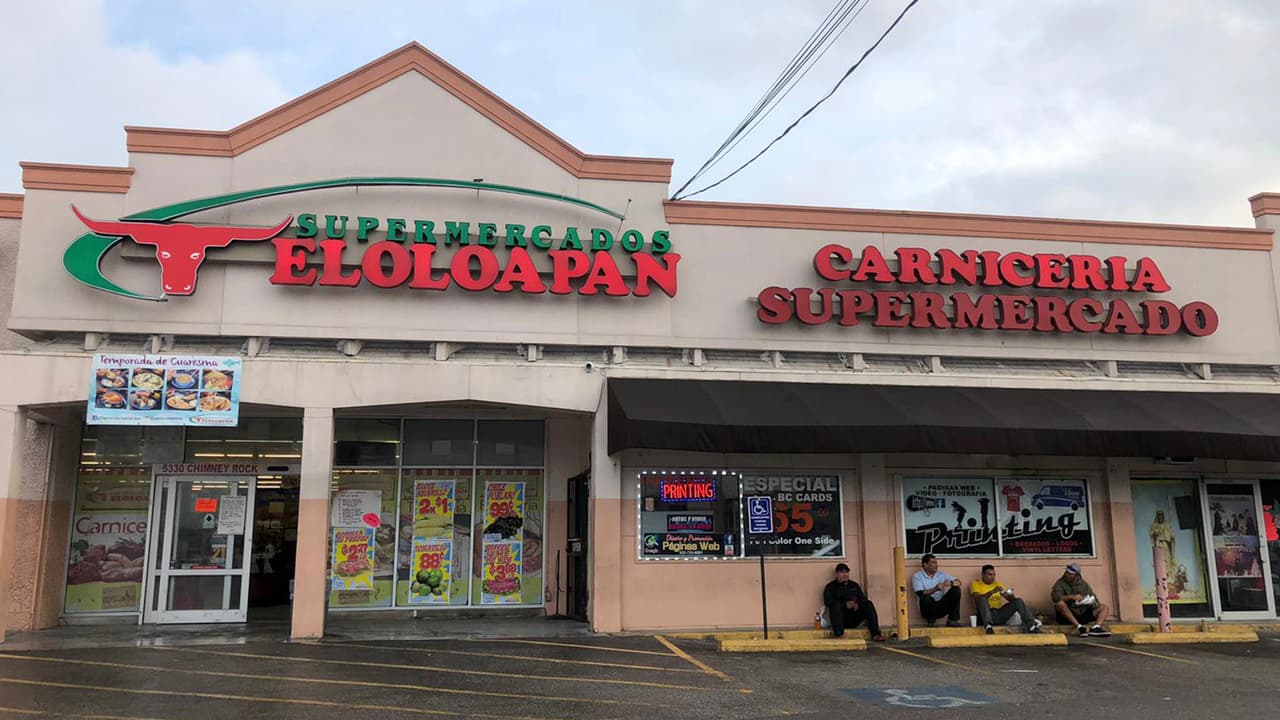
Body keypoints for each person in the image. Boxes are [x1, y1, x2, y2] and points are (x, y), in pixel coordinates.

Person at [970, 564, 1043, 634]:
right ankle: (988, 627)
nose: (992, 577)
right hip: (985, 616)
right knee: (982, 599)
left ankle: (1031, 625)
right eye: (989, 574)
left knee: (1018, 601)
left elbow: (1012, 601)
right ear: (983, 575)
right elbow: (977, 599)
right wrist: (992, 592)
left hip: (998, 614)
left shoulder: (997, 584)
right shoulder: (976, 584)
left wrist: (1009, 594)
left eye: (994, 575)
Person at [822, 562, 886, 641]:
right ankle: (838, 634)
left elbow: (862, 599)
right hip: (840, 619)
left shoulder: (854, 585)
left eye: (846, 572)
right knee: (836, 604)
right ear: (837, 574)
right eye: (842, 572)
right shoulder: (831, 587)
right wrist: (845, 604)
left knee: (868, 604)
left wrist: (857, 605)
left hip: (854, 617)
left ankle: (876, 634)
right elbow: (828, 601)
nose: (845, 575)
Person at [1051, 563, 1111, 637]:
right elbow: (1055, 598)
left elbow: (1093, 597)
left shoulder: (1084, 584)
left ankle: (1096, 628)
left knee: (1105, 607)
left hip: (1083, 612)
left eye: (1070, 574)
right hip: (1070, 614)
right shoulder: (1060, 583)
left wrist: (1090, 601)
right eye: (1066, 572)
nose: (1067, 575)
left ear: (1076, 576)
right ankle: (1079, 627)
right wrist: (1071, 597)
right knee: (1059, 604)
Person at [911, 553, 962, 626]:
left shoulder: (941, 574)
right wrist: (935, 589)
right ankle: (931, 621)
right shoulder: (917, 576)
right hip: (928, 609)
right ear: (925, 565)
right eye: (933, 563)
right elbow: (920, 593)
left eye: (936, 563)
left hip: (941, 606)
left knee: (956, 590)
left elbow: (959, 582)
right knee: (925, 598)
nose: (936, 565)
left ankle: (952, 620)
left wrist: (950, 583)